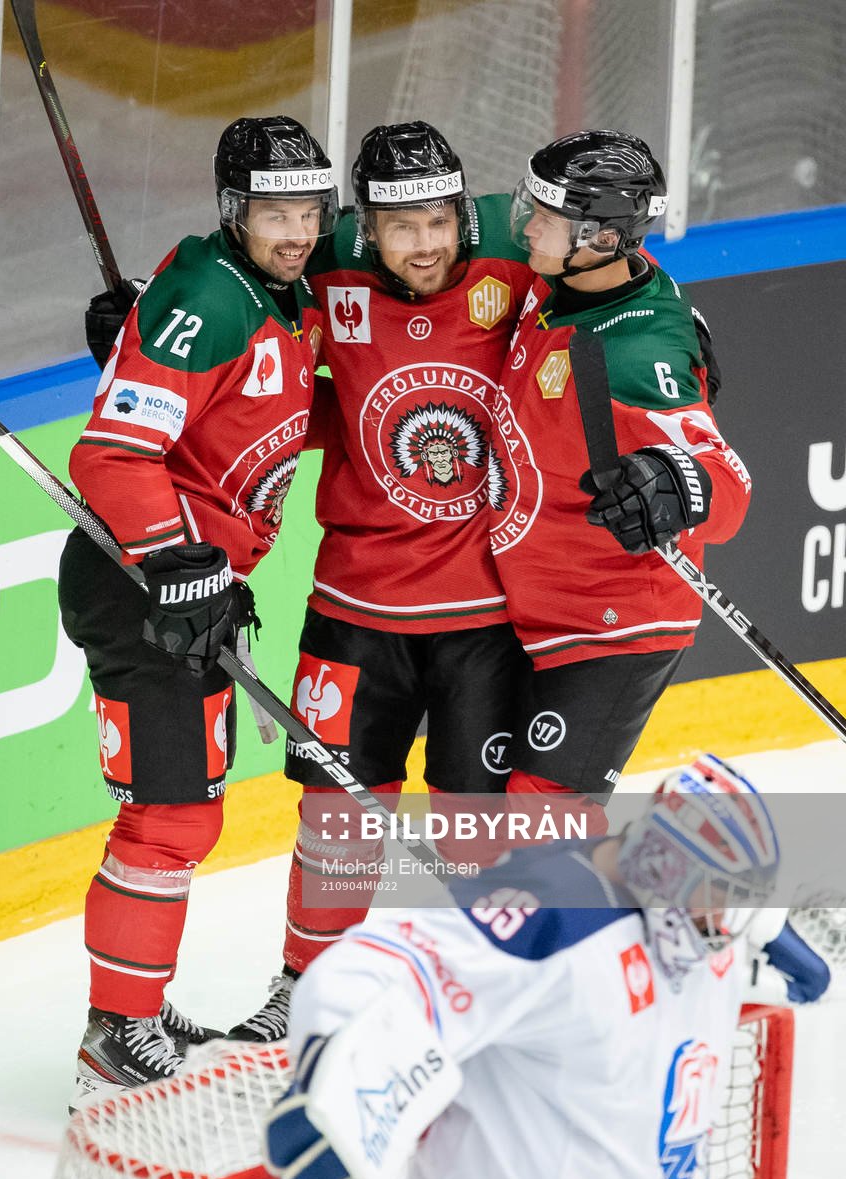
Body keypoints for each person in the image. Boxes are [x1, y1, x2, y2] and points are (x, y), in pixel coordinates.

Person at [262, 754, 830, 1179]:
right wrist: (336, 1090)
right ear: (662, 866)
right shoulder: (552, 909)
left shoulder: (699, 924)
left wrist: (775, 931)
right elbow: (373, 971)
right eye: (720, 900)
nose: (725, 928)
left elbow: (740, 922)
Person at [227, 122, 537, 1041]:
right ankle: (305, 990)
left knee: (474, 825)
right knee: (336, 818)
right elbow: (238, 289)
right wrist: (135, 315)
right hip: (353, 611)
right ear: (367, 226)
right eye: (402, 226)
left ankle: (461, 995)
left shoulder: (513, 273)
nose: (427, 242)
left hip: (484, 620)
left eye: (439, 218)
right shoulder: (328, 275)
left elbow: (616, 276)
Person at [58, 116, 338, 1105]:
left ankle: (133, 995)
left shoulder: (284, 296)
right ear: (236, 211)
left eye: (309, 209)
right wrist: (181, 559)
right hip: (140, 584)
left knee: (188, 800)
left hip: (191, 590)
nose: (296, 228)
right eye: (275, 211)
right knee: (171, 810)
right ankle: (116, 1026)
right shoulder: (214, 298)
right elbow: (110, 454)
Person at [488, 131, 752, 834]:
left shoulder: (638, 354)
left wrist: (673, 483)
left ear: (603, 240)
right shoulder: (572, 277)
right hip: (540, 606)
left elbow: (728, 487)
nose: (527, 225)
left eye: (546, 216)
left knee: (538, 824)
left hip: (615, 624)